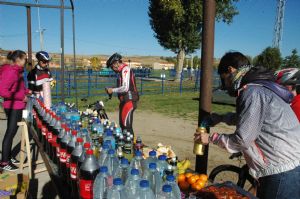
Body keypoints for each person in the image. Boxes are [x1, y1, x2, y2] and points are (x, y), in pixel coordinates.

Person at [195, 52, 300, 199]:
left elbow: (242, 139)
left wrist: (211, 138)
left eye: (224, 79)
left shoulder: (252, 92)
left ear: (231, 70)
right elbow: (249, 118)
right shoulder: (259, 87)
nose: (225, 85)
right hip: (285, 168)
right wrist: (221, 118)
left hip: (281, 172)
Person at [0, 50, 27, 171]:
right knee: (10, 133)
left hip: (18, 105)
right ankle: (4, 162)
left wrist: (27, 92)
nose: (26, 61)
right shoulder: (10, 72)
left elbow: (19, 88)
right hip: (12, 106)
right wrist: (21, 96)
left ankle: (9, 156)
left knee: (13, 131)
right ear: (18, 59)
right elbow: (3, 91)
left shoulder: (18, 71)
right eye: (24, 59)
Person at [105, 53, 139, 135]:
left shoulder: (125, 69)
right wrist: (113, 89)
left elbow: (125, 88)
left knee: (126, 126)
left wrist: (112, 90)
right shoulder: (121, 71)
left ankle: (131, 146)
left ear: (116, 63)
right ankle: (126, 144)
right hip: (124, 100)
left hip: (129, 100)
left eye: (112, 67)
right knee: (123, 125)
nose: (112, 69)